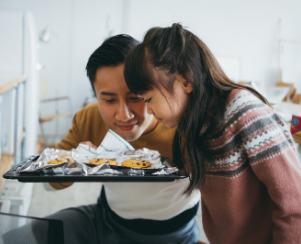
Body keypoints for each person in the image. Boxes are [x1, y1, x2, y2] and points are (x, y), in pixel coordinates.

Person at [123, 23, 301, 244]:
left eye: (149, 99)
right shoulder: (191, 124)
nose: (148, 110)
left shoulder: (245, 114)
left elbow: (294, 205)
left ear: (185, 81)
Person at [44, 34, 201, 244]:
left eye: (136, 97)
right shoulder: (89, 118)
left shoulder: (183, 124)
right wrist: (74, 167)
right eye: (109, 100)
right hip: (106, 222)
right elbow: (46, 181)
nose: (124, 115)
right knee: (25, 237)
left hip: (175, 234)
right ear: (95, 96)